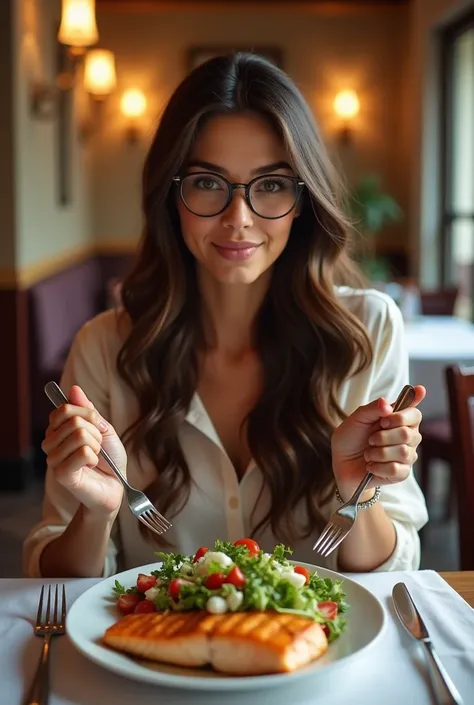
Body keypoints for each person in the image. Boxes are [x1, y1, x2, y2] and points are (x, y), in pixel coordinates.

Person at [23, 52, 428, 579]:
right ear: (172, 195)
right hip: (150, 657)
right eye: (208, 183)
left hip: (317, 655)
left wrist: (359, 496)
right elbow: (54, 580)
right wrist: (95, 513)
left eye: (272, 184)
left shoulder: (368, 331)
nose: (239, 220)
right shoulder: (104, 346)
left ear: (304, 200)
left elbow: (394, 573)